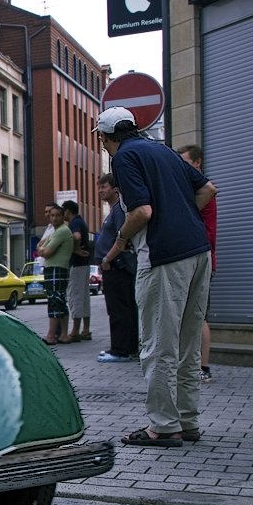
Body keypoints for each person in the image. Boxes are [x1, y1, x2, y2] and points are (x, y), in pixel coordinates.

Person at [96, 107, 216, 448]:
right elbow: (208, 189)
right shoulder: (162, 149)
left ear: (105, 138)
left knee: (158, 344)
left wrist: (121, 239)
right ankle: (188, 420)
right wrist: (182, 217)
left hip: (164, 257)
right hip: (198, 251)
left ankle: (163, 426)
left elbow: (142, 212)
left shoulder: (123, 158)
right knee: (188, 342)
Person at [178, 144, 216, 383]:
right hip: (195, 258)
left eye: (185, 163)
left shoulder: (201, 190)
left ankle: (203, 367)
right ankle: (194, 366)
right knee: (190, 315)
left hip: (200, 258)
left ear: (197, 163)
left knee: (198, 316)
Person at [94, 173, 138, 363]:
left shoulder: (119, 209)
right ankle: (126, 348)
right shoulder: (114, 210)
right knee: (123, 308)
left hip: (117, 267)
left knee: (119, 309)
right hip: (114, 266)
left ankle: (121, 350)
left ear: (115, 189)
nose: (100, 191)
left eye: (104, 187)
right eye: (99, 187)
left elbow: (123, 238)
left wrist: (107, 259)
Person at [36, 204, 72, 345]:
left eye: (57, 215)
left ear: (63, 216)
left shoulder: (62, 231)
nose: (54, 218)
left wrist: (42, 249)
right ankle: (63, 335)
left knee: (55, 301)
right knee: (60, 301)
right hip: (54, 268)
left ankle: (51, 335)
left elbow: (46, 252)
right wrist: (42, 249)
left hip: (57, 268)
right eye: (52, 215)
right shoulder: (55, 232)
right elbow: (40, 247)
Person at [60, 200, 91, 342]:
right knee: (84, 297)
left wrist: (74, 249)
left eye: (63, 211)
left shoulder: (74, 223)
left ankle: (75, 330)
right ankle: (85, 330)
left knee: (75, 296)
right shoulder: (81, 221)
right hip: (84, 264)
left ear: (67, 211)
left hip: (77, 265)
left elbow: (76, 236)